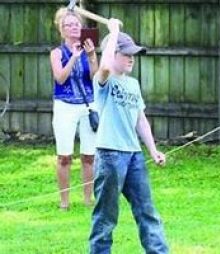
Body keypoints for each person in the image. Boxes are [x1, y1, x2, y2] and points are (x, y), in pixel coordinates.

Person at [89, 18, 169, 253]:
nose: (132, 58)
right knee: (106, 217)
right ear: (112, 54)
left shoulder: (133, 84)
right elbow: (103, 67)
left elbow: (140, 120)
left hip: (134, 156)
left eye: (133, 54)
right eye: (126, 54)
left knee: (147, 211)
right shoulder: (103, 81)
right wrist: (112, 32)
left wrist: (153, 151)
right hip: (110, 155)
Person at [50, 7, 98, 209]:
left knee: (89, 156)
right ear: (61, 30)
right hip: (65, 106)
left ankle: (88, 199)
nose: (73, 28)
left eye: (76, 24)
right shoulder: (57, 52)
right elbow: (60, 77)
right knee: (64, 156)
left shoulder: (88, 48)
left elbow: (95, 78)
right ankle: (65, 202)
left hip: (88, 105)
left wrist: (92, 55)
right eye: (68, 25)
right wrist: (74, 57)